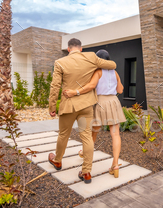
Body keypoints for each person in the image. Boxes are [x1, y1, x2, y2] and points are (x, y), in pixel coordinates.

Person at [48, 39, 117, 184]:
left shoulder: (60, 62)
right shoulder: (91, 57)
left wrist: (52, 107)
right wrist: (96, 65)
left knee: (63, 135)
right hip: (86, 105)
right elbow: (113, 65)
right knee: (86, 136)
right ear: (81, 48)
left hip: (68, 106)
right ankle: (86, 172)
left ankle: (58, 161)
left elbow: (55, 86)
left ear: (68, 49)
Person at [63, 49, 126, 178]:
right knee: (115, 134)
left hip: (100, 102)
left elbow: (91, 86)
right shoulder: (115, 72)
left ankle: (84, 155)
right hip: (114, 102)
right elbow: (120, 89)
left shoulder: (97, 72)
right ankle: (115, 165)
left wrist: (75, 92)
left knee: (93, 133)